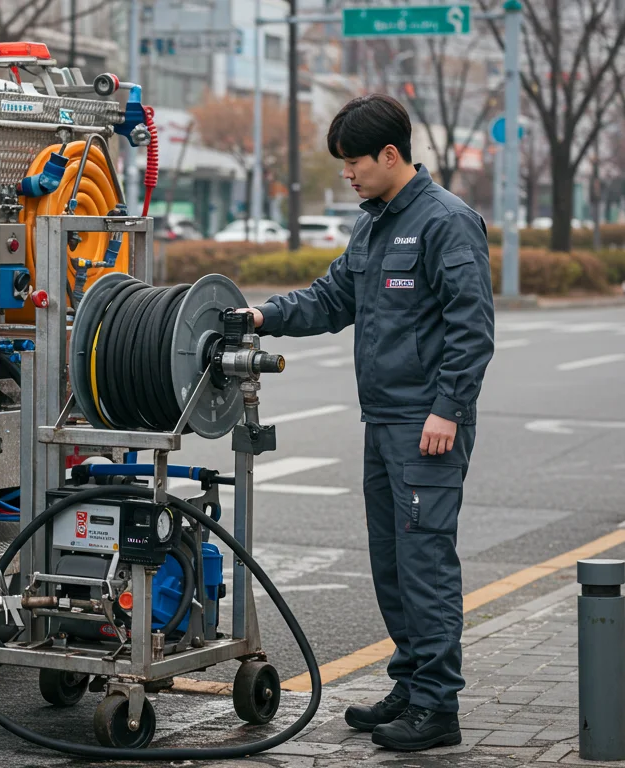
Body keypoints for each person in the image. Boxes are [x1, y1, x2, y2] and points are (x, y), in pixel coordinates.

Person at [241, 94, 494, 752]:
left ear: (389, 154)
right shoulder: (374, 225)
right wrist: (262, 316)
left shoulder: (446, 222)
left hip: (426, 425)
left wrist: (448, 409)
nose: (347, 174)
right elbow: (332, 299)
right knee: (391, 563)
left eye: (354, 162)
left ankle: (437, 706)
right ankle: (410, 685)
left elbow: (472, 329)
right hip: (383, 420)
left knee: (425, 564)